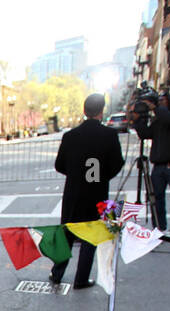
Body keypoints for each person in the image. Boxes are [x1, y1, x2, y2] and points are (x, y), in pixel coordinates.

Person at [50, 93, 124, 289]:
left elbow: (59, 165)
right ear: (101, 111)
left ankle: (57, 273)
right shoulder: (109, 135)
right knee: (90, 237)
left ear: (84, 111)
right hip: (96, 192)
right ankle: (81, 278)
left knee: (66, 233)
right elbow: (117, 163)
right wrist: (101, 175)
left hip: (74, 192)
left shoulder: (70, 136)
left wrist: (75, 174)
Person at [132, 90, 170, 236]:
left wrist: (156, 108)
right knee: (156, 198)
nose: (160, 103)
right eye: (159, 101)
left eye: (163, 100)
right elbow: (146, 134)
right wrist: (139, 119)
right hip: (159, 166)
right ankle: (159, 226)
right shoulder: (158, 119)